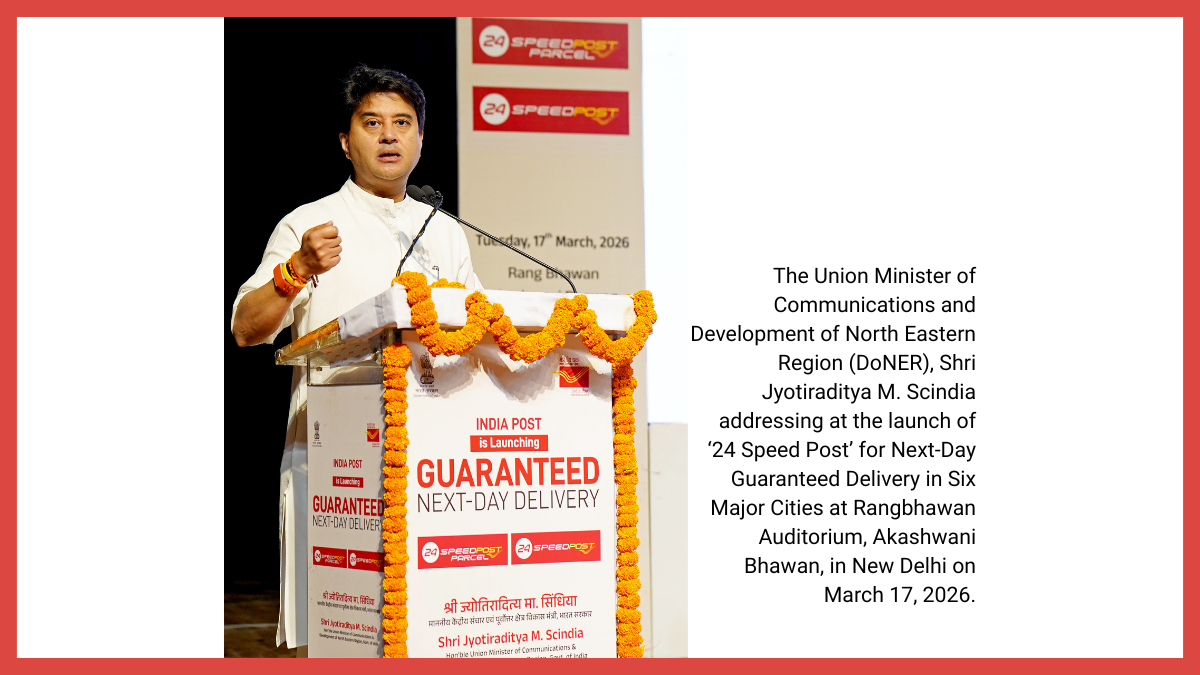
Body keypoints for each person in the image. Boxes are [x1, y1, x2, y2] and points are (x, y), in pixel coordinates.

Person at [231, 65, 482, 650]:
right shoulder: (308, 224)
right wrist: (295, 273)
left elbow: (472, 332)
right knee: (333, 637)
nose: (389, 136)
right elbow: (246, 328)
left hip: (432, 470)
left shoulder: (445, 232)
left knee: (427, 633)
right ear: (346, 142)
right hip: (334, 468)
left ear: (422, 138)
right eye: (372, 123)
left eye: (403, 123)